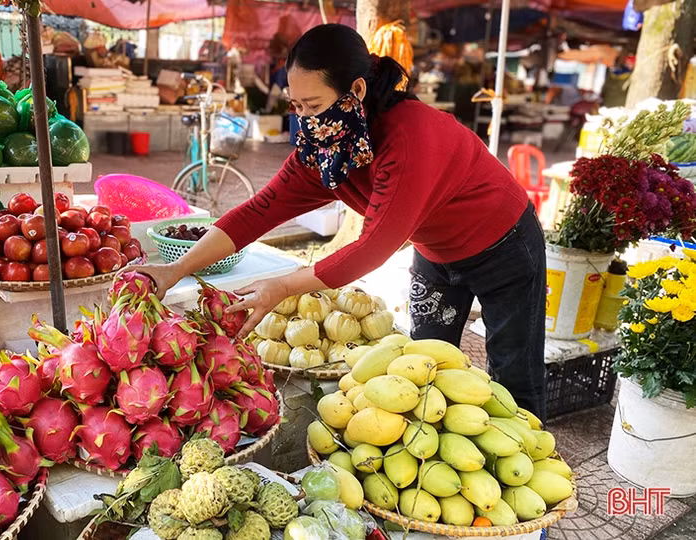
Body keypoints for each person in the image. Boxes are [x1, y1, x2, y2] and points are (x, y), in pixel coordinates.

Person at [138, 24, 547, 420]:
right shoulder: (326, 149)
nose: (304, 119)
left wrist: (283, 286)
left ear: (356, 91)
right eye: (296, 106)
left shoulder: (411, 136)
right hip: (436, 252)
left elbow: (371, 249)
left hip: (504, 244)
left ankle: (533, 459)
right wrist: (175, 270)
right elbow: (257, 212)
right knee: (422, 371)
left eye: (314, 106)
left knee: (513, 377)